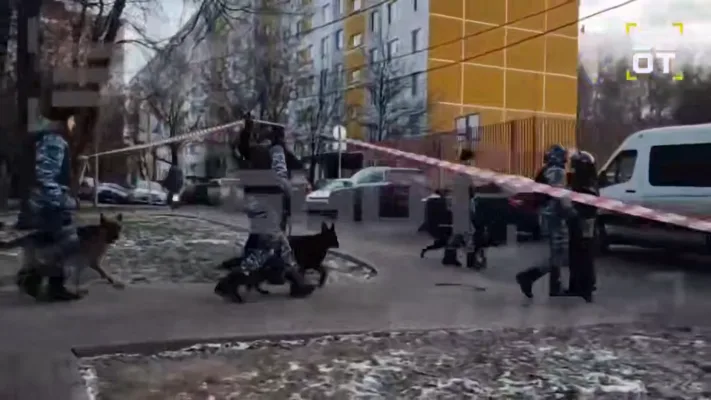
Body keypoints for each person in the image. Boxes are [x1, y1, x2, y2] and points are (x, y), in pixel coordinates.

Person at [214, 113, 315, 301]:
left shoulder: (261, 152)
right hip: (265, 204)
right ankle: (230, 282)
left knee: (281, 246)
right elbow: (286, 174)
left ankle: (297, 283)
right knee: (268, 247)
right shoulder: (272, 153)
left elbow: (244, 147)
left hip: (261, 204)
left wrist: (247, 129)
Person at [15, 73, 82, 301]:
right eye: (72, 119)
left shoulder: (48, 136)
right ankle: (34, 278)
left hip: (44, 204)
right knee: (68, 243)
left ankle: (47, 283)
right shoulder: (54, 140)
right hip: (50, 206)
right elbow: (45, 176)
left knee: (52, 242)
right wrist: (62, 201)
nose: (74, 124)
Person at [515, 144, 572, 298]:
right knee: (560, 253)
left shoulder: (546, 170)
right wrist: (570, 211)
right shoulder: (557, 172)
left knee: (557, 252)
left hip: (547, 214)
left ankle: (554, 286)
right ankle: (529, 277)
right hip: (555, 216)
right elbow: (560, 195)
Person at [563, 150, 598, 302]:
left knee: (583, 254)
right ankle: (579, 286)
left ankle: (584, 288)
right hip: (580, 222)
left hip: (583, 223)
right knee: (579, 254)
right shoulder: (584, 183)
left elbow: (586, 209)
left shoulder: (586, 186)